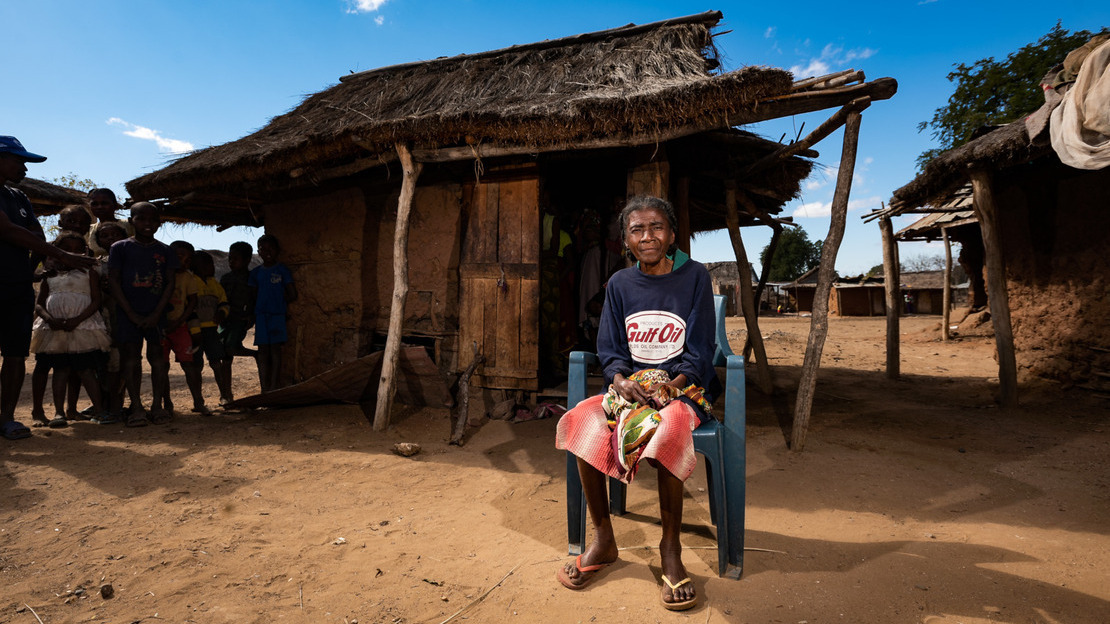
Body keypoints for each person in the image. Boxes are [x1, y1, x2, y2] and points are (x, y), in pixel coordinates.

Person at [555, 196, 720, 611]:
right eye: (637, 230)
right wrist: (621, 380)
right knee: (582, 420)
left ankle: (670, 549)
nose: (647, 236)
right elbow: (610, 349)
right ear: (626, 240)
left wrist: (671, 387)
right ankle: (604, 539)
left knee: (669, 428)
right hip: (632, 390)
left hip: (683, 388)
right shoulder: (619, 284)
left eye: (656, 227)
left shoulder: (695, 277)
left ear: (672, 235)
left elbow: (701, 349)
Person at [1, 135, 95, 440]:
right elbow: (8, 230)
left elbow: (36, 235)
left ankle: (7, 419)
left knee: (15, 355)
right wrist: (63, 256)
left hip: (16, 286)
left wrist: (29, 269)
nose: (25, 168)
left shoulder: (19, 197)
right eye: (19, 161)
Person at [30, 233, 111, 427]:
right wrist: (50, 319)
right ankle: (59, 413)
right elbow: (39, 304)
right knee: (60, 370)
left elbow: (96, 301)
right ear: (56, 252)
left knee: (86, 370)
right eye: (66, 250)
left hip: (82, 328)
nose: (72, 254)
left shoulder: (89, 273)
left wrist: (77, 320)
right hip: (54, 330)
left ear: (85, 252)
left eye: (78, 250)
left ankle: (100, 411)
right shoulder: (49, 276)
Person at [108, 202, 178, 427]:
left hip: (157, 314)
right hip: (128, 314)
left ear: (159, 223)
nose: (148, 224)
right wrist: (131, 313)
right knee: (130, 359)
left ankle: (157, 405)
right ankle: (136, 407)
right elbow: (114, 281)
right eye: (141, 219)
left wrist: (157, 313)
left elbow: (170, 283)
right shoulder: (120, 248)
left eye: (153, 220)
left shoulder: (166, 250)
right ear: (131, 221)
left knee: (158, 359)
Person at [91, 222, 128, 424]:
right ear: (98, 241)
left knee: (120, 363)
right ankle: (104, 404)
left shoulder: (131, 260)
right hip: (102, 321)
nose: (111, 238)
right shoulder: (96, 264)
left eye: (115, 234)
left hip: (123, 319)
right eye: (105, 236)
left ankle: (117, 404)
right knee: (103, 365)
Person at [248, 234, 296, 392]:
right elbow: (252, 296)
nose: (267, 252)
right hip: (261, 316)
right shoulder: (255, 273)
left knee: (275, 350)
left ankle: (274, 386)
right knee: (263, 351)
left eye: (271, 249)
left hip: (277, 316)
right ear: (258, 252)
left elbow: (292, 294)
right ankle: (264, 387)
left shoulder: (282, 270)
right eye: (263, 249)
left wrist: (278, 302)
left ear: (278, 250)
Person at [162, 240, 204, 415]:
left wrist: (179, 321)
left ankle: (198, 401)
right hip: (161, 328)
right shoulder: (160, 274)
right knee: (162, 367)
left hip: (180, 327)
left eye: (188, 260)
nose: (184, 262)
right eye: (180, 257)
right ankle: (167, 403)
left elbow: (192, 301)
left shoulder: (188, 277)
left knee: (188, 365)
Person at [190, 251, 233, 407]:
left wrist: (222, 313)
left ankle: (225, 395)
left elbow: (224, 302)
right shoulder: (191, 282)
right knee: (196, 366)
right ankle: (198, 400)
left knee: (216, 363)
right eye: (209, 265)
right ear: (197, 266)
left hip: (211, 330)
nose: (213, 268)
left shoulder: (214, 284)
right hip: (193, 332)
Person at [219, 241, 255, 358]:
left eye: (235, 259)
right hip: (225, 320)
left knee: (231, 348)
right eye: (230, 258)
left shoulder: (251, 279)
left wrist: (252, 316)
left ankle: (256, 354)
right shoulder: (226, 278)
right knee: (224, 353)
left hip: (240, 320)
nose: (231, 261)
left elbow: (254, 299)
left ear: (247, 260)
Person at [86, 188, 133, 257]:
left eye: (104, 203)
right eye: (94, 204)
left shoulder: (129, 224)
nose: (99, 207)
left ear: (115, 205)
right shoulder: (88, 230)